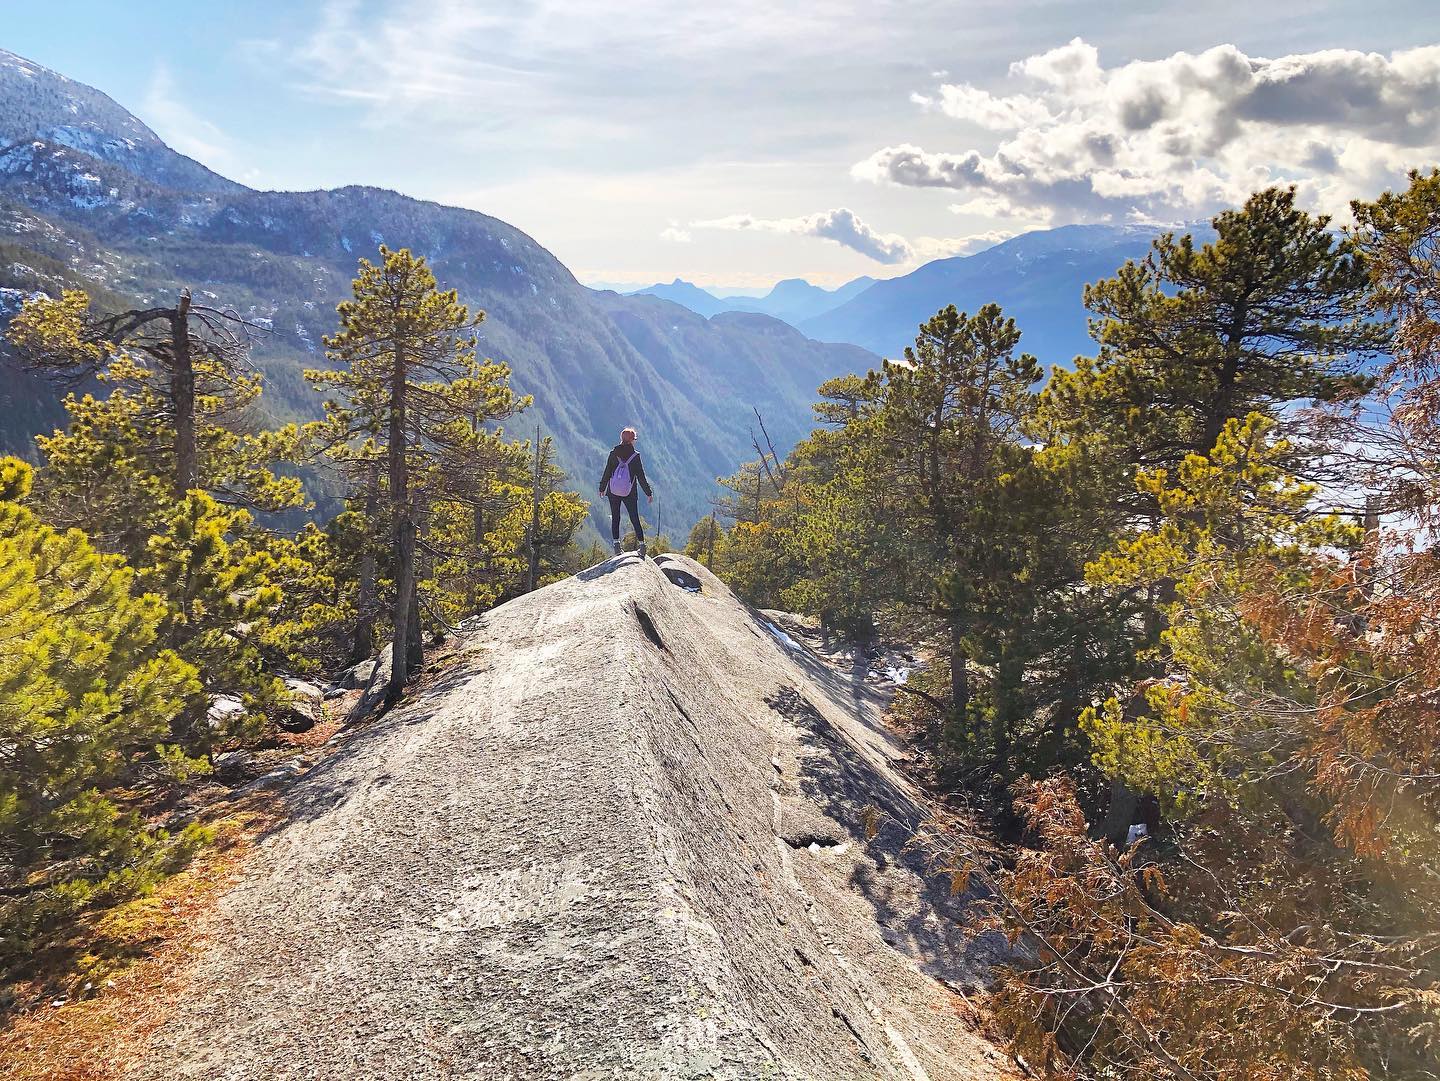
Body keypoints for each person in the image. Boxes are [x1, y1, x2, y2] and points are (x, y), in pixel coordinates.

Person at [598, 427, 653, 557]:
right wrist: (648, 493)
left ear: (622, 439)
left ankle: (617, 547)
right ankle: (642, 546)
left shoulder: (613, 453)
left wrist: (602, 488)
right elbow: (641, 477)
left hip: (613, 491)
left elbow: (607, 472)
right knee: (634, 518)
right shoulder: (635, 457)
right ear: (632, 440)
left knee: (615, 517)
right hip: (630, 492)